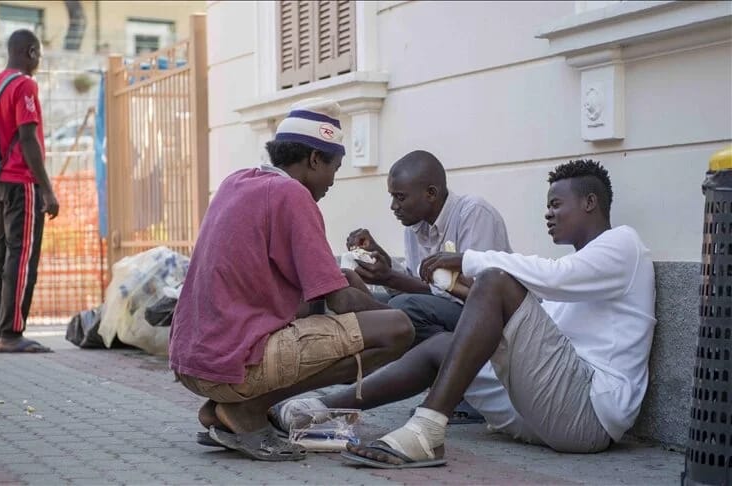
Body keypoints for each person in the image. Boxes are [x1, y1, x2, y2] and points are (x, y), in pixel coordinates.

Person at [274, 160, 656, 467]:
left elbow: (553, 279)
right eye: (547, 206)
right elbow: (536, 319)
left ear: (590, 203)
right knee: (441, 346)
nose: (548, 215)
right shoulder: (584, 266)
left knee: (494, 281)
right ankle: (318, 409)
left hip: (586, 414)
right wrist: (454, 286)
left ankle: (426, 430)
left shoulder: (623, 245)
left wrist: (468, 260)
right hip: (541, 412)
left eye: (557, 205)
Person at [168, 98, 415, 462]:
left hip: (195, 363)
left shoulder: (238, 182)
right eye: (334, 167)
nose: (333, 180)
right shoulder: (293, 195)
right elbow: (341, 303)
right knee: (398, 329)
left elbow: (300, 290)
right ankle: (246, 409)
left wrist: (341, 279)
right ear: (315, 159)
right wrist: (392, 310)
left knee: (335, 309)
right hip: (234, 364)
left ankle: (221, 407)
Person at [345, 150, 511, 346]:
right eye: (392, 197)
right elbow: (413, 284)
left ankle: (438, 364)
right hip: (442, 309)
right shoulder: (414, 224)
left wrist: (389, 276)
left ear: (431, 193)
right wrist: (378, 257)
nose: (393, 206)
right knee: (358, 303)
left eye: (400, 197)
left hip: (483, 315)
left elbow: (476, 295)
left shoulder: (473, 213)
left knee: (401, 308)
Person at [0, 29, 59, 353]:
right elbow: (27, 138)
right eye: (38, 53)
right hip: (21, 183)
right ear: (30, 51)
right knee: (21, 256)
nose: (38, 60)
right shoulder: (24, 84)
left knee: (0, 255)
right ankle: (12, 334)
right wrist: (47, 189)